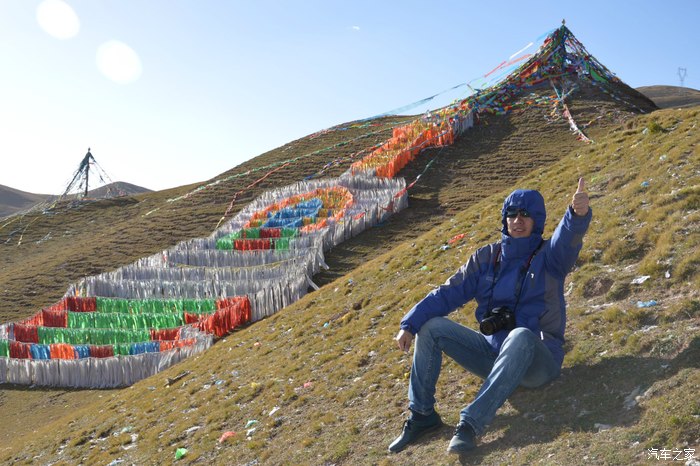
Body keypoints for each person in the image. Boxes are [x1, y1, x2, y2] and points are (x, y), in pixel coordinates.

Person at [388, 178, 592, 454]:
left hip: (538, 361)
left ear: (537, 220)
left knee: (520, 335)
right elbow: (448, 293)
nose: (517, 221)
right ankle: (422, 415)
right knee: (432, 327)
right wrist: (409, 324)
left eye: (525, 215)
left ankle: (470, 425)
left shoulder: (550, 256)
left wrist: (577, 216)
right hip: (494, 355)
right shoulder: (486, 258)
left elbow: (566, 240)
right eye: (512, 214)